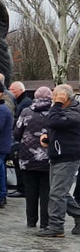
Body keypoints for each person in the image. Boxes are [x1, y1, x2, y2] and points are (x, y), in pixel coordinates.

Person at [37, 83, 80, 239]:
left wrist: (57, 104)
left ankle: (56, 226)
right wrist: (48, 139)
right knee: (59, 192)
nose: (53, 99)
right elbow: (57, 128)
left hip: (68, 157)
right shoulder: (65, 111)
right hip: (57, 154)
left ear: (65, 97)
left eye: (56, 96)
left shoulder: (74, 112)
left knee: (57, 193)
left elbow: (54, 122)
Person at [14, 86, 54, 230]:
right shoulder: (54, 113)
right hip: (48, 158)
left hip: (27, 156)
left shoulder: (26, 111)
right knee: (46, 191)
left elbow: (17, 133)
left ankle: (31, 221)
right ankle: (45, 222)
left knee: (30, 191)